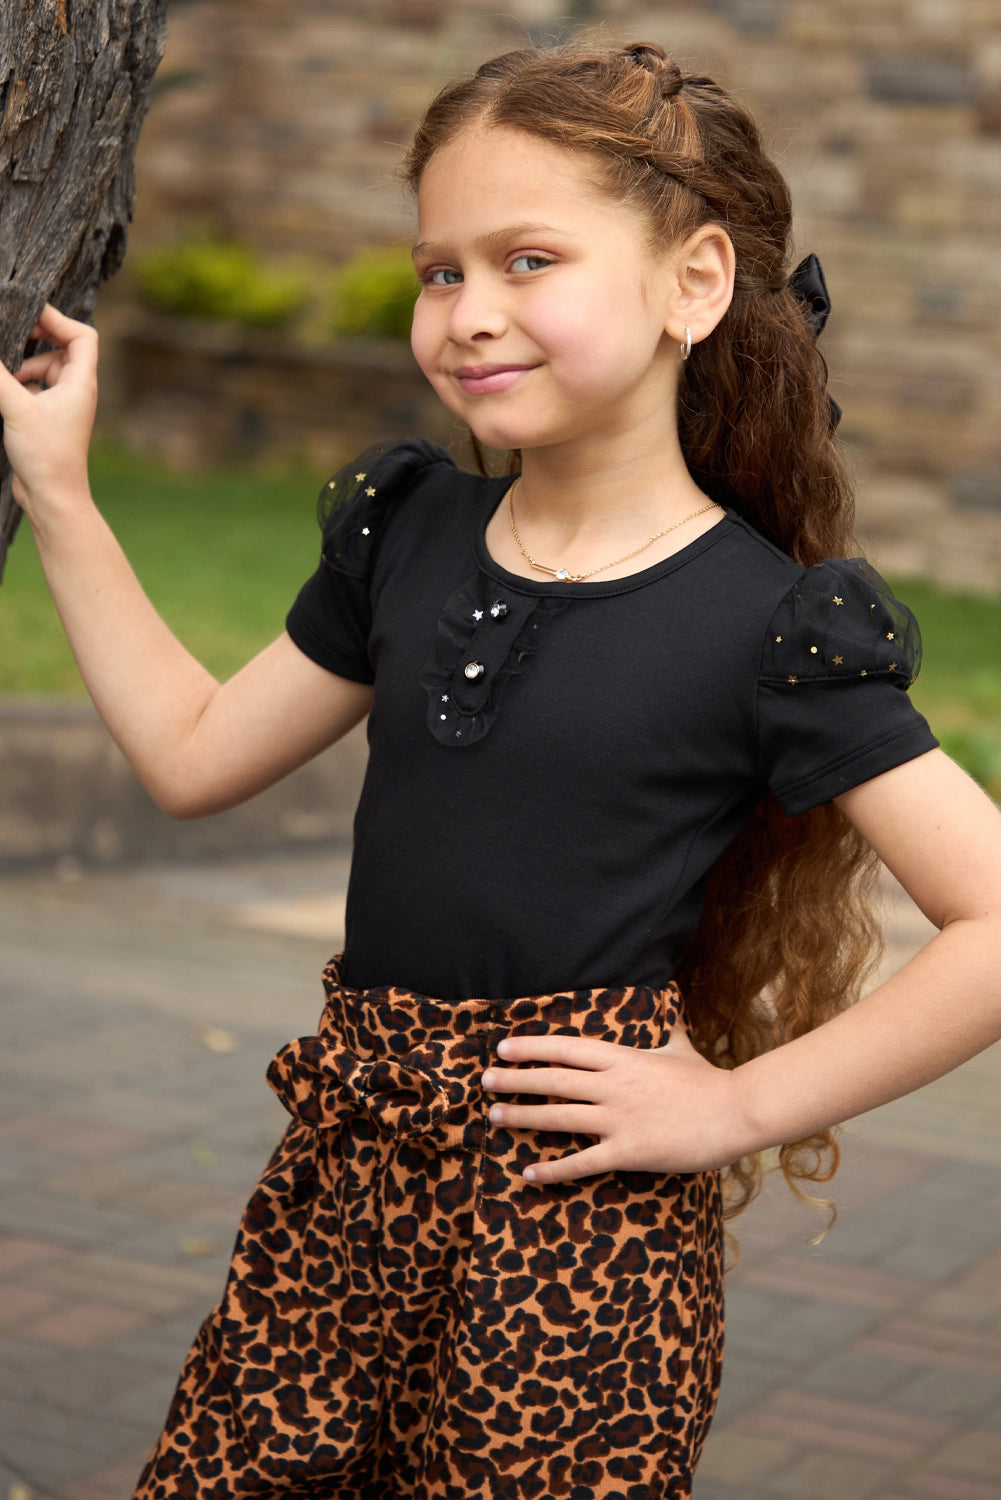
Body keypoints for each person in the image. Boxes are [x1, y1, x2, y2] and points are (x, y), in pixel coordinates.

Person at [1, 37, 999, 1500]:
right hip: (339, 1191)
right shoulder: (406, 533)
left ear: (693, 285)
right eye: (439, 270)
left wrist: (732, 1108)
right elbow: (192, 755)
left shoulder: (767, 625)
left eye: (529, 260)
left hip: (574, 1236)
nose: (469, 312)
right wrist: (62, 491)